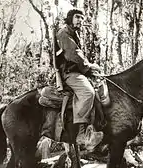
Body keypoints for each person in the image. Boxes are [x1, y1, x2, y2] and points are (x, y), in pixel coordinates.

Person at [55, 9, 103, 150]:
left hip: (78, 72)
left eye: (82, 18)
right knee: (88, 93)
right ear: (70, 18)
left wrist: (90, 68)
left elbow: (79, 56)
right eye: (77, 17)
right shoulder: (64, 33)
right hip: (70, 73)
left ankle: (93, 128)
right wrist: (89, 67)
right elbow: (73, 55)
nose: (80, 20)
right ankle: (81, 134)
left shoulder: (74, 34)